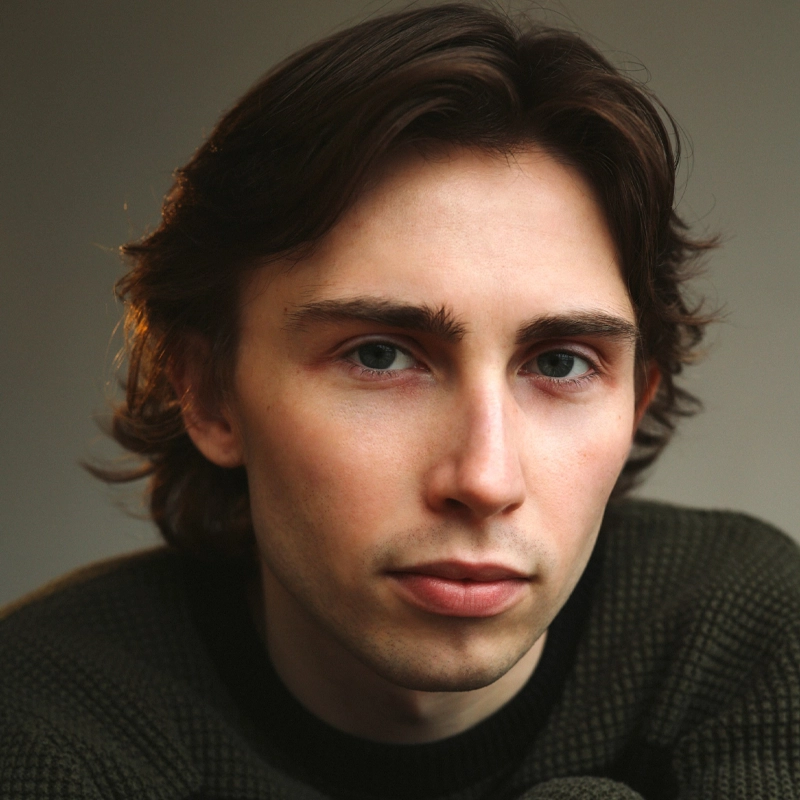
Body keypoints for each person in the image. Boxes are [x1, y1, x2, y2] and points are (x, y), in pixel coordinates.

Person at [1, 3, 798, 798]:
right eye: (380, 357)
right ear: (209, 392)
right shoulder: (48, 725)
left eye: (560, 361)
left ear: (637, 399)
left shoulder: (749, 640)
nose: (485, 479)